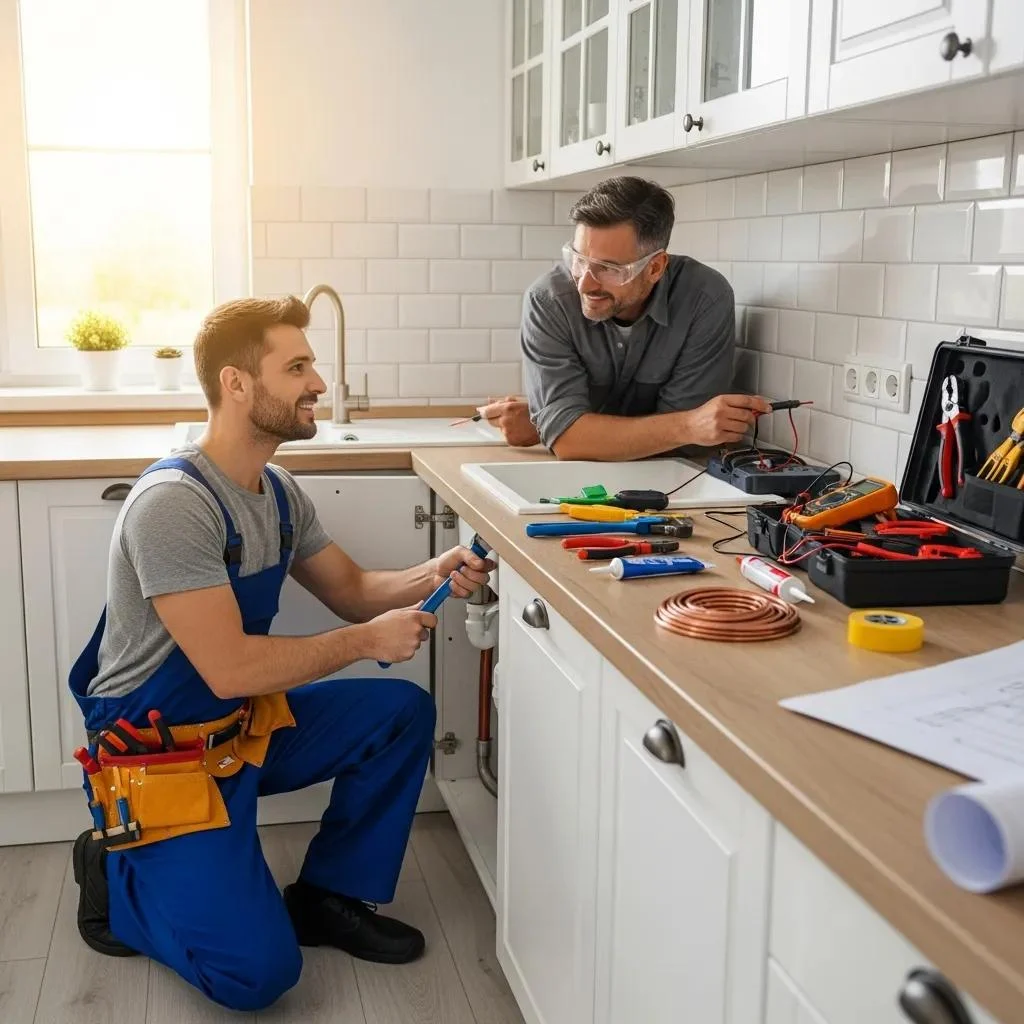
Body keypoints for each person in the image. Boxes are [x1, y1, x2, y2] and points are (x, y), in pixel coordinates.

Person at [68, 296, 493, 1012]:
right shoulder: (176, 503)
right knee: (256, 978)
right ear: (237, 384)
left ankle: (326, 896)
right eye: (297, 366)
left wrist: (434, 571)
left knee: (399, 712)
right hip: (160, 760)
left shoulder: (279, 493)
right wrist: (365, 642)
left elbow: (355, 590)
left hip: (239, 732)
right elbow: (231, 667)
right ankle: (111, 875)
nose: (318, 383)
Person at [481, 175, 771, 460]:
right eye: (579, 260)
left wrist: (558, 428)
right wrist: (686, 425)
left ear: (656, 267)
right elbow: (570, 441)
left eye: (608, 268)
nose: (585, 284)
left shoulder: (705, 299)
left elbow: (690, 445)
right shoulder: (548, 300)